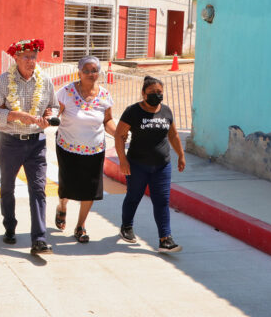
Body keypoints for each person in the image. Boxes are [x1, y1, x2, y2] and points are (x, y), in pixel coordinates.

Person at [0, 39, 58, 255]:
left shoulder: (45, 80)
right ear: (16, 58)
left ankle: (38, 239)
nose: (31, 61)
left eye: (34, 57)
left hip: (37, 143)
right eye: (26, 57)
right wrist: (14, 115)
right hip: (11, 141)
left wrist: (50, 116)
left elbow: (53, 106)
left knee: (38, 188)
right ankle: (9, 226)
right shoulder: (3, 81)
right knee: (7, 186)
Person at [115, 76, 186, 252]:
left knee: (162, 201)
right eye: (152, 93)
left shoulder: (166, 111)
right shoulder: (133, 111)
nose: (156, 96)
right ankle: (126, 227)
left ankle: (165, 239)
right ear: (143, 94)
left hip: (162, 165)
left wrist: (181, 155)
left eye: (159, 93)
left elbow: (173, 135)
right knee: (134, 196)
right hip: (137, 164)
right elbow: (119, 135)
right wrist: (122, 160)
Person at [54, 56, 116, 243]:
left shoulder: (104, 95)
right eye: (86, 70)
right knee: (67, 186)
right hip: (67, 147)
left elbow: (107, 120)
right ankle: (62, 207)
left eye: (94, 70)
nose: (90, 74)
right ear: (79, 72)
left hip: (95, 149)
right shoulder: (65, 92)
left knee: (90, 189)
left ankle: (80, 226)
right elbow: (55, 112)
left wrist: (118, 133)